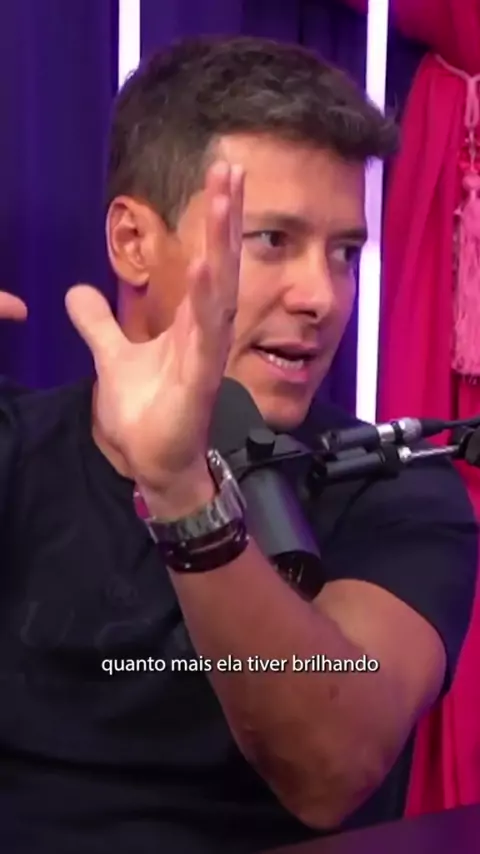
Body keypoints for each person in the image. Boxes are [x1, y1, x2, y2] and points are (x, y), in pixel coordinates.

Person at [0, 35, 477, 854]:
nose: (323, 296)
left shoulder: (397, 488)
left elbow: (333, 763)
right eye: (272, 241)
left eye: (345, 252)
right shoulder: (18, 452)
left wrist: (183, 491)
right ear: (133, 242)